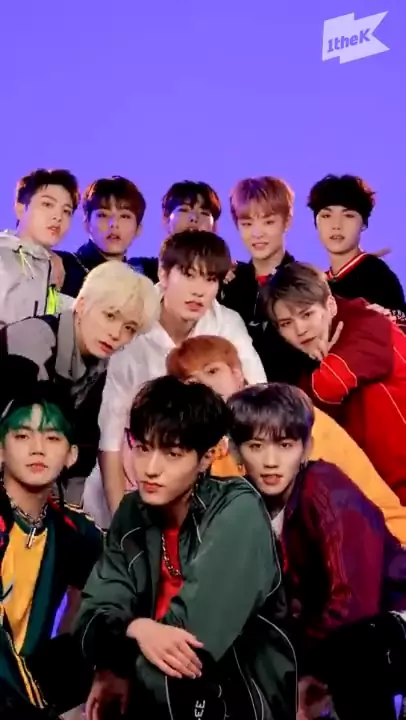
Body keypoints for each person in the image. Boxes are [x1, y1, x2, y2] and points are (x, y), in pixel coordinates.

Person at [73, 376, 296, 720]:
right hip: (157, 689)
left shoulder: (238, 510)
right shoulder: (132, 512)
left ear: (206, 458)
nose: (150, 469)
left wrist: (119, 656)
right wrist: (137, 630)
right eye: (143, 448)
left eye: (173, 454)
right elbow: (90, 620)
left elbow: (189, 647)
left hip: (237, 698)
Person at [228, 382, 406, 720]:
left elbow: (354, 602)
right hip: (329, 640)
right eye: (255, 446)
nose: (270, 462)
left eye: (285, 445)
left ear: (305, 448)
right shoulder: (243, 503)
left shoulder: (324, 487)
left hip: (388, 620)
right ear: (235, 452)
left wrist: (305, 669)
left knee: (356, 648)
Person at [166, 334, 406, 543]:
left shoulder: (293, 416)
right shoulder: (198, 448)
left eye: (212, 371)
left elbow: (362, 510)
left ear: (237, 374)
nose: (206, 385)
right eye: (192, 382)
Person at [98, 229, 266, 515]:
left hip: (209, 471)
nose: (199, 290)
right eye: (188, 275)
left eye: (210, 279)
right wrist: (118, 521)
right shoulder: (133, 323)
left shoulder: (226, 322)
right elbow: (110, 437)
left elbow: (260, 396)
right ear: (163, 274)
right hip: (135, 471)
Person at [0, 261, 159, 502]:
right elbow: (21, 437)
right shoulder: (32, 341)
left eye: (129, 328)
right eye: (110, 316)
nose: (116, 334)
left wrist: (67, 512)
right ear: (82, 304)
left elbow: (83, 451)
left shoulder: (100, 364)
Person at [262, 260, 406, 503]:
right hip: (382, 491)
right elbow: (310, 414)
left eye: (307, 314)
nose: (300, 330)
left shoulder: (366, 323)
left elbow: (329, 386)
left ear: (329, 305)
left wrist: (325, 373)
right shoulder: (306, 363)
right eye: (286, 323)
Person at [0, 382, 103, 718]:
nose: (38, 449)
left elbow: (117, 584)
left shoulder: (74, 528)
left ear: (71, 455)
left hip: (31, 687)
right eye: (22, 436)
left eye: (53, 438)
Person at [222, 176, 309, 383]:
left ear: (287, 222)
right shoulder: (230, 283)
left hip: (292, 397)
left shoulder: (305, 282)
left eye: (269, 222)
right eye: (247, 223)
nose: (257, 233)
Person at [307, 174, 405, 312]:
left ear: (363, 223)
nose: (336, 225)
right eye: (326, 216)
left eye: (348, 215)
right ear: (315, 223)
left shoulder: (378, 277)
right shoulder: (317, 284)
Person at [0, 169, 80, 327]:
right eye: (47, 204)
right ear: (20, 208)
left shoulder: (56, 269)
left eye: (66, 211)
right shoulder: (3, 257)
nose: (58, 216)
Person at [57, 175, 158, 297]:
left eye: (125, 216)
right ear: (86, 223)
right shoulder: (63, 265)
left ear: (138, 229)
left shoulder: (147, 273)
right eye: (103, 215)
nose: (114, 224)